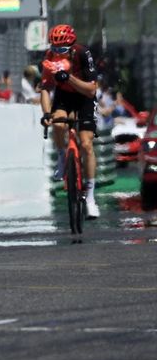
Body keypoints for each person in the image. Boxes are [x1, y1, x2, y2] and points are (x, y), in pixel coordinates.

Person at [38, 23, 101, 219]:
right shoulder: (49, 58)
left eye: (62, 50)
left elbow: (91, 90)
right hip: (64, 98)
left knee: (86, 144)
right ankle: (61, 156)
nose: (58, 53)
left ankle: (90, 197)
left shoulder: (83, 54)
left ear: (72, 47)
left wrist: (69, 78)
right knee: (57, 123)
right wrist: (47, 113)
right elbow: (45, 90)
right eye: (55, 49)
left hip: (84, 97)